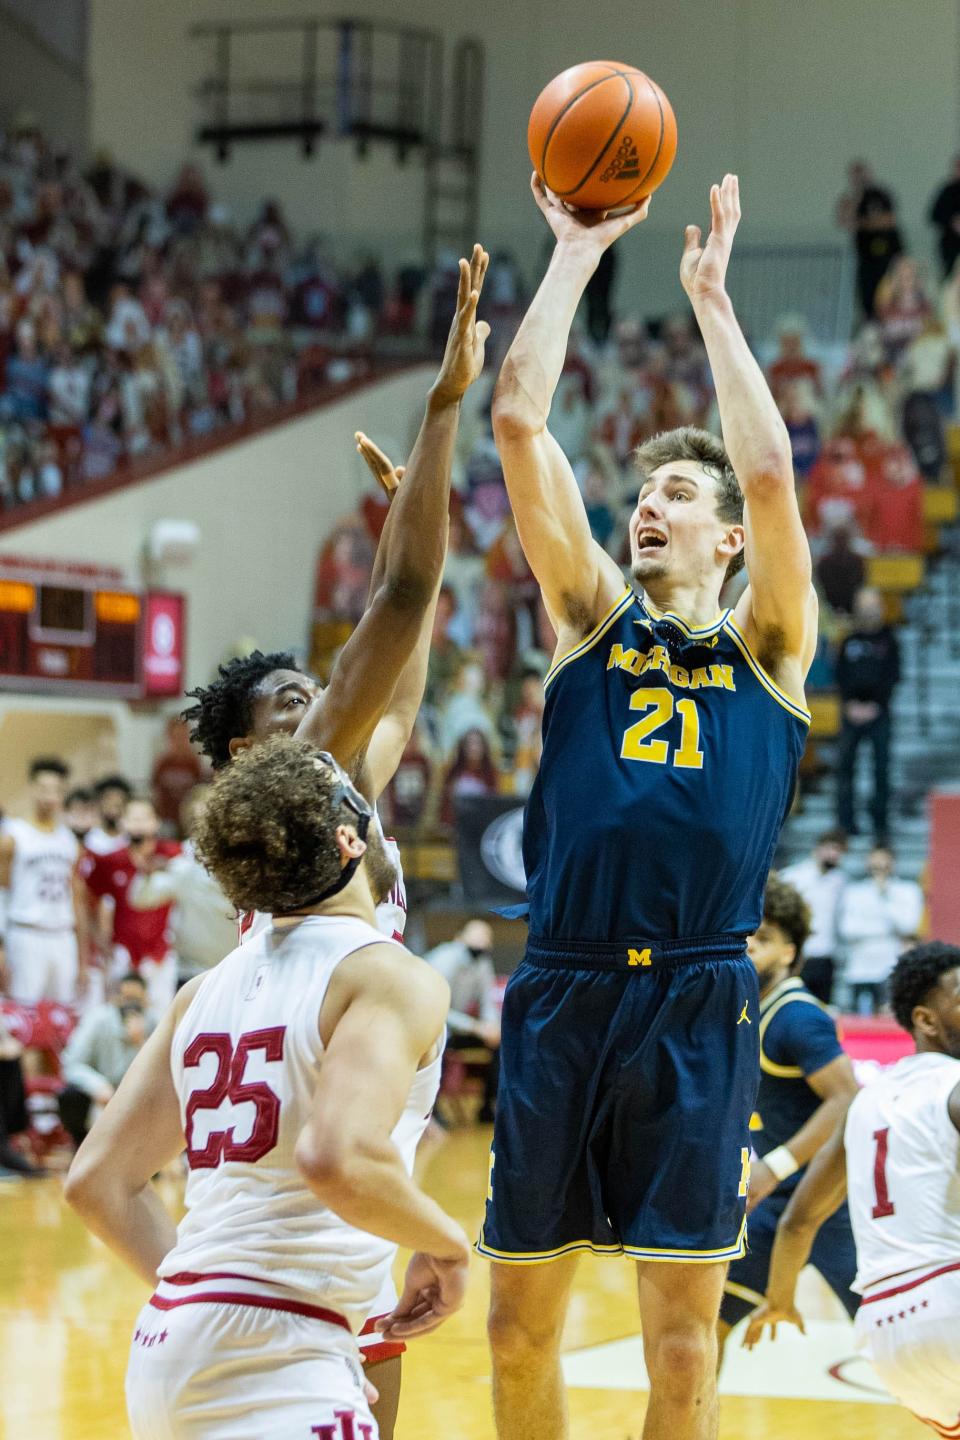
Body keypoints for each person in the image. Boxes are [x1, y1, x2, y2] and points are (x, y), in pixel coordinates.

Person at [483, 173, 817, 1440]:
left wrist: (713, 302)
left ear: (729, 541)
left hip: (696, 992)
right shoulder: (588, 621)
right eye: (645, 497)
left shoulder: (771, 650)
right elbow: (520, 421)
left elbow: (774, 473)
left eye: (680, 496)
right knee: (520, 1332)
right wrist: (573, 253)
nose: (649, 506)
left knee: (683, 1351)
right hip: (563, 985)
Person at [178, 245, 489, 1440]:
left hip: (305, 1043)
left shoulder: (330, 782)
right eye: (287, 705)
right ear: (248, 751)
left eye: (316, 693)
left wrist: (421, 504)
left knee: (373, 1320)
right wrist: (446, 405)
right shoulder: (304, 776)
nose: (315, 711)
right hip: (327, 1038)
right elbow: (398, 605)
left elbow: (407, 633)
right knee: (357, 1296)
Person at [64, 737, 469, 1440]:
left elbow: (96, 1181)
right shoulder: (388, 974)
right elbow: (337, 1159)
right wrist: (449, 1245)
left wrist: (220, 1299)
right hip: (282, 1349)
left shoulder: (202, 992)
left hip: (170, 1339)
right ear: (350, 839)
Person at [744, 942, 960, 1437]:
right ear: (926, 1021)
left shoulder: (867, 1103)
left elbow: (800, 1219)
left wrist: (780, 1300)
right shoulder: (953, 1087)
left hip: (887, 1336)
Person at [717, 876, 859, 1363]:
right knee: (705, 1324)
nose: (750, 945)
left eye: (765, 938)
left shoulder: (797, 1016)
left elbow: (847, 1099)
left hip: (833, 1199)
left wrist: (774, 1165)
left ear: (789, 951)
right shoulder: (747, 1010)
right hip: (777, 1202)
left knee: (892, 1333)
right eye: (744, 935)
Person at [0, 757, 89, 1005]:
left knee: (63, 1016)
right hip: (25, 933)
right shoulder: (13, 835)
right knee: (24, 1015)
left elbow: (77, 900)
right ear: (31, 789)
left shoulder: (70, 840)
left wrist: (83, 959)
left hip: (62, 935)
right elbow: (1, 894)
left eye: (55, 790)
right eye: (43, 788)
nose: (49, 796)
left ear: (63, 794)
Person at [127, 786, 237, 985]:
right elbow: (140, 898)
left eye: (212, 819)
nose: (206, 828)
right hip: (191, 972)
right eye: (198, 822)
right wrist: (146, 872)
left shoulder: (242, 864)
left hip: (235, 970)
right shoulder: (182, 866)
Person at [81, 796, 180, 1012]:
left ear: (157, 822)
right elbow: (90, 899)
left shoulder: (173, 855)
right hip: (122, 953)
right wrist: (101, 942)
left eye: (145, 818)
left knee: (161, 1016)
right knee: (121, 1015)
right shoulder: (109, 861)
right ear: (122, 823)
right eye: (133, 818)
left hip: (160, 953)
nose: (139, 824)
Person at [834, 585, 900, 842]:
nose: (868, 612)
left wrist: (875, 705)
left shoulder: (890, 640)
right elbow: (840, 674)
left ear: (881, 609)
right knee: (845, 768)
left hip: (879, 712)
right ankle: (845, 822)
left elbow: (894, 676)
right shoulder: (849, 640)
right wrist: (850, 704)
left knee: (881, 768)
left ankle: (880, 823)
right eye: (864, 607)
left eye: (873, 607)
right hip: (850, 712)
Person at [59, 972, 153, 1148]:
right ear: (115, 999)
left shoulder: (157, 1021)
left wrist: (141, 1042)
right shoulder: (97, 1019)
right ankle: (81, 1146)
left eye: (136, 1000)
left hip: (138, 1096)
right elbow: (71, 1064)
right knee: (70, 1096)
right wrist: (97, 1085)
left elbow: (168, 1071)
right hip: (102, 1094)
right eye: (127, 998)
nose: (131, 1005)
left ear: (146, 1000)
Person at [426, 918, 501, 1122]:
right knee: (435, 1042)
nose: (481, 942)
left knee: (500, 1045)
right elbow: (437, 1008)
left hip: (459, 1027)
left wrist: (491, 1026)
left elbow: (487, 1002)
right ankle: (433, 1109)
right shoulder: (443, 959)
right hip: (431, 1024)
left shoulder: (483, 963)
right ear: (460, 937)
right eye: (476, 936)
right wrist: (474, 1026)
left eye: (486, 938)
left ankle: (487, 1107)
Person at [838, 847, 924, 1014]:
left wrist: (884, 897)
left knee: (890, 1017)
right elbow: (848, 929)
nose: (879, 866)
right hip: (859, 967)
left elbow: (909, 925)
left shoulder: (907, 890)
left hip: (891, 964)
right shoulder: (854, 892)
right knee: (859, 1020)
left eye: (884, 861)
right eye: (875, 861)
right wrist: (886, 930)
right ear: (867, 863)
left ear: (893, 863)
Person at [780, 830, 849, 1004]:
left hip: (826, 955)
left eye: (839, 851)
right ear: (818, 849)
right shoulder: (794, 877)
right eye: (831, 849)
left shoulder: (840, 880)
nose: (834, 855)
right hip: (801, 953)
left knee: (822, 1006)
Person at [835, 161, 903, 319]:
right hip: (865, 256)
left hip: (887, 254)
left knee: (889, 289)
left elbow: (889, 220)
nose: (858, 178)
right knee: (867, 292)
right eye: (854, 175)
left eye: (861, 173)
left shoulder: (880, 194)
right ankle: (870, 320)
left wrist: (862, 223)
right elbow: (845, 222)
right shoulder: (851, 199)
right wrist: (856, 201)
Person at [929, 155, 960, 279]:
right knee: (951, 279)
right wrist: (952, 222)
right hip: (951, 245)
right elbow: (934, 215)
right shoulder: (947, 191)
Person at [85, 775, 132, 856]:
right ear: (99, 803)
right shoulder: (89, 838)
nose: (113, 808)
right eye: (108, 801)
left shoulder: (131, 838)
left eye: (117, 804)